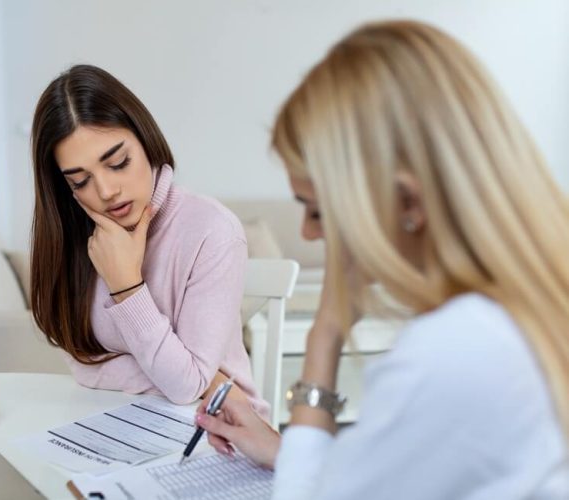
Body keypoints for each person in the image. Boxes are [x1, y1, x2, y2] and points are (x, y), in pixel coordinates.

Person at [197, 20, 569, 499]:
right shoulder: (523, 311)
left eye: (318, 210)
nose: (309, 232)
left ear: (408, 203)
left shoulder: (452, 350)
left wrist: (325, 336)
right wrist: (287, 451)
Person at [29, 65, 267, 415]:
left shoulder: (211, 231)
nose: (107, 192)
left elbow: (186, 388)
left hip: (218, 432)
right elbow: (81, 363)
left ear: (145, 139)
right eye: (80, 181)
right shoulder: (80, 235)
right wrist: (188, 377)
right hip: (119, 423)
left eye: (118, 162)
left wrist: (126, 286)